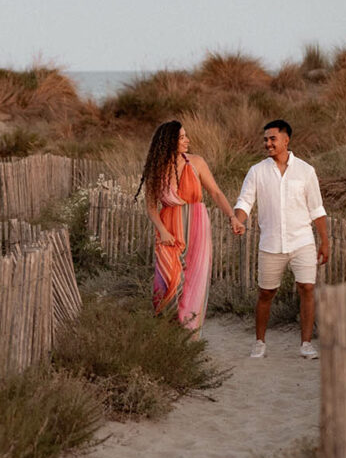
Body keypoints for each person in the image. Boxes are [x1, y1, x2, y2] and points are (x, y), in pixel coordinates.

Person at [136, 120, 245, 337]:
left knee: (194, 277)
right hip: (168, 229)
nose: (188, 141)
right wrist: (163, 230)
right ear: (169, 141)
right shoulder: (156, 168)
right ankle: (164, 331)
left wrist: (232, 217)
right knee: (167, 279)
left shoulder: (196, 162)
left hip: (197, 225)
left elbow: (215, 192)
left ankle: (187, 333)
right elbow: (150, 206)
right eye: (182, 137)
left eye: (186, 136)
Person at [233, 119, 329, 359]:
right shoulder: (257, 171)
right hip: (271, 243)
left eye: (272, 139)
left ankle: (306, 344)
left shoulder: (306, 171)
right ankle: (259, 343)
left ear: (286, 140)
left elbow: (317, 209)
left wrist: (324, 241)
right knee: (266, 293)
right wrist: (239, 219)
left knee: (307, 288)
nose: (267, 143)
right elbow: (245, 201)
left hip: (302, 240)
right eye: (265, 139)